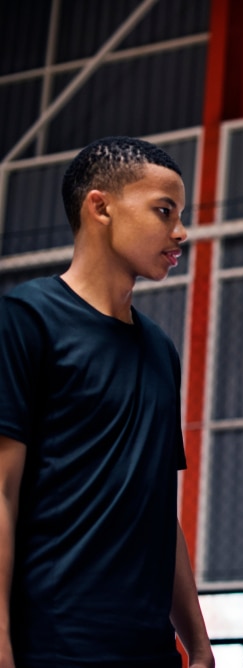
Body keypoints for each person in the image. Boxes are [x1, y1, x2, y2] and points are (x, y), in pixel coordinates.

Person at [0, 137, 214, 668]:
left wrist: (200, 644)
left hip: (148, 648)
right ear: (100, 207)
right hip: (53, 645)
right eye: (164, 212)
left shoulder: (161, 349)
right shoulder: (26, 320)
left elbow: (160, 511)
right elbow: (1, 493)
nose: (180, 232)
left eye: (180, 214)